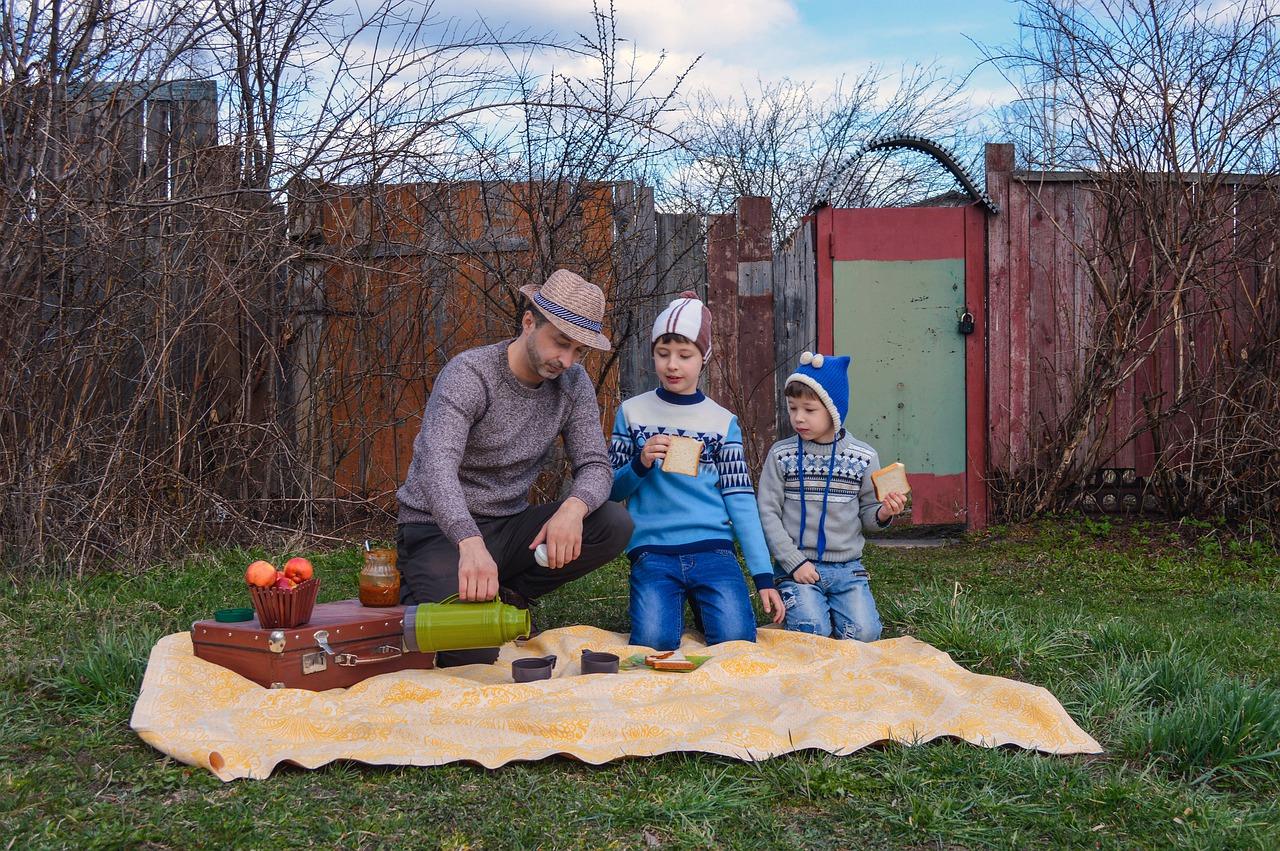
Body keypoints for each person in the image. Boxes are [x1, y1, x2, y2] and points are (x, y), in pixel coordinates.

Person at [396, 269, 634, 667]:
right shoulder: (470, 374)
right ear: (528, 322)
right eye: (561, 344)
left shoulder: (573, 384)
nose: (568, 360)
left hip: (509, 527)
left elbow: (595, 464)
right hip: (437, 530)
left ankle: (509, 592)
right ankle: (425, 586)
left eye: (579, 351)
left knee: (612, 522)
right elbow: (436, 467)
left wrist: (573, 509)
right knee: (471, 652)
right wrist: (468, 543)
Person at [608, 291, 784, 651]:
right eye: (663, 354)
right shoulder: (631, 413)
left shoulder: (722, 423)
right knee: (653, 643)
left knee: (736, 641)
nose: (673, 365)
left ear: (703, 358)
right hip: (653, 551)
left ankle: (708, 605)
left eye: (684, 356)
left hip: (713, 550)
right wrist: (639, 464)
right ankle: (690, 603)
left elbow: (740, 500)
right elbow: (611, 491)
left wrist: (763, 576)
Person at [757, 352, 907, 641]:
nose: (798, 418)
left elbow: (868, 516)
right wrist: (793, 561)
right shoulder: (781, 455)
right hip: (798, 567)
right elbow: (767, 513)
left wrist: (884, 513)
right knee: (812, 632)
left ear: (834, 410)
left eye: (809, 410)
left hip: (847, 569)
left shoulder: (863, 457)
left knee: (864, 634)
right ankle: (805, 611)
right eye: (792, 408)